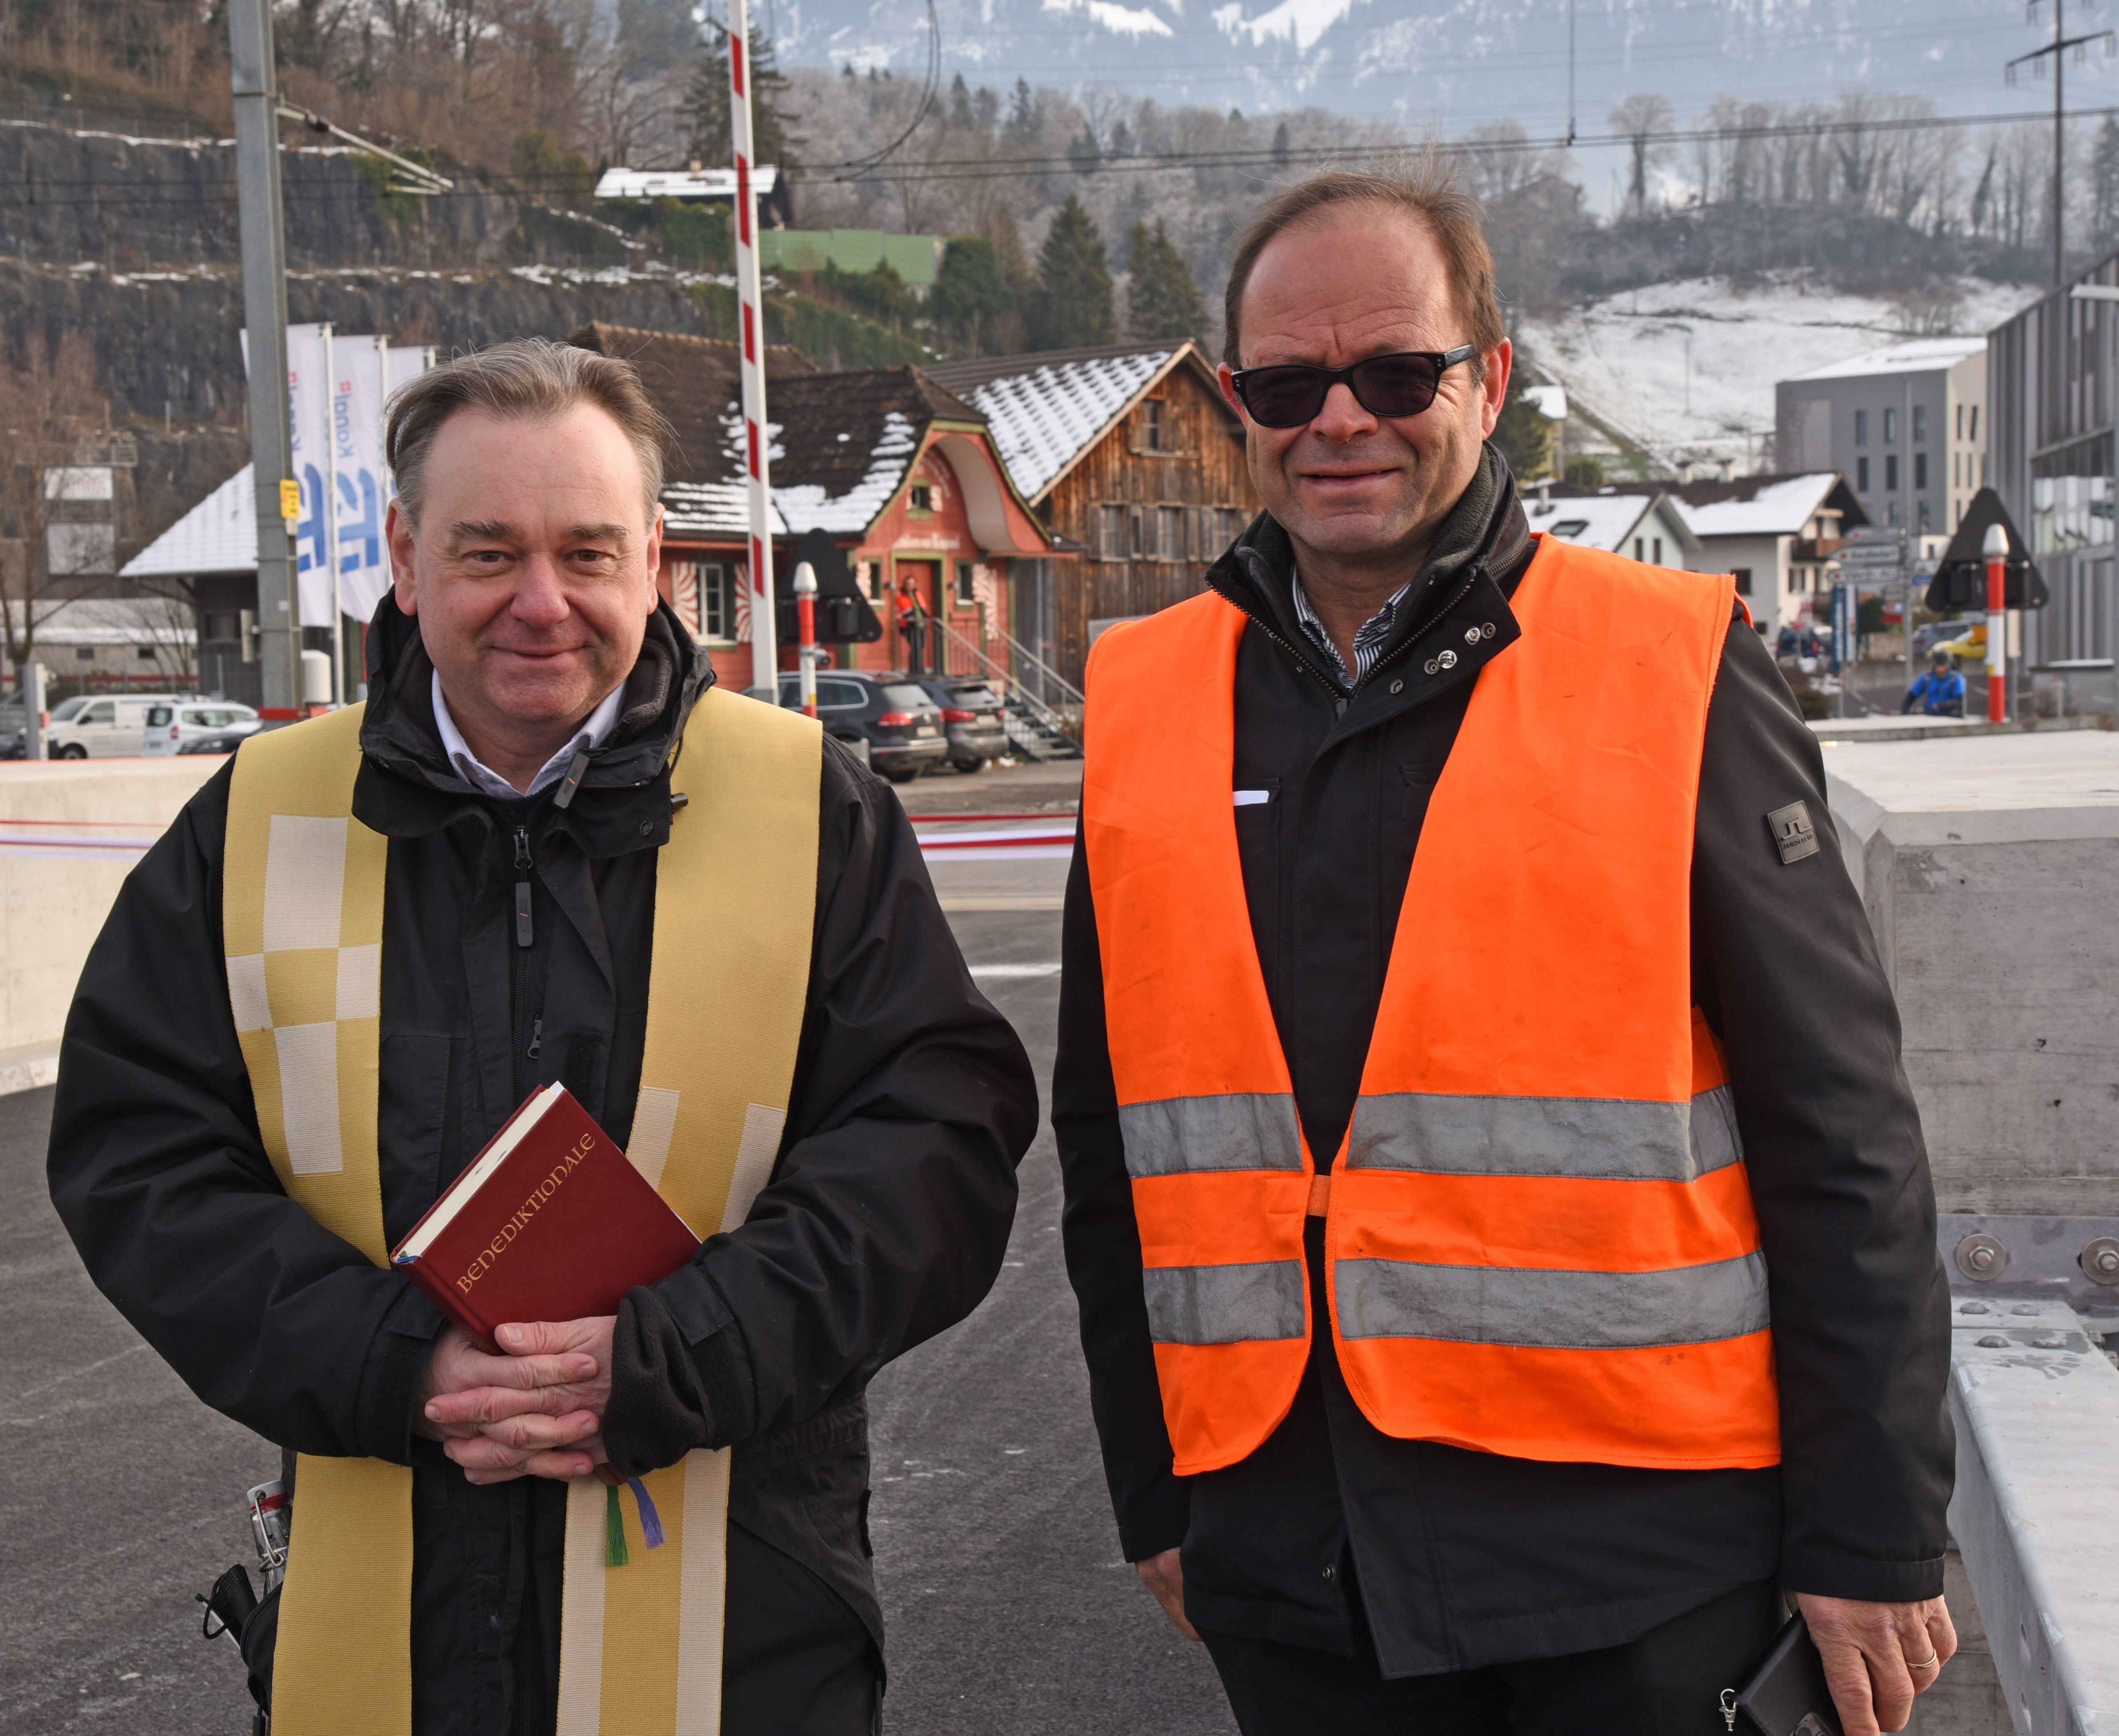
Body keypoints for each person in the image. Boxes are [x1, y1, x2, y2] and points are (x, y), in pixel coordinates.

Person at [1055, 164, 1957, 1736]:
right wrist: (1155, 1486)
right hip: (1291, 1555)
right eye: (1286, 382)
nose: (1340, 419)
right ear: (1235, 403)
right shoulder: (1143, 699)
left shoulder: (1669, 668)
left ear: (1489, 378)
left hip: (1635, 1564)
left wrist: (1872, 1532)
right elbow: (1103, 1139)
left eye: (1394, 373)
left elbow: (1842, 1139)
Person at [48, 338, 1037, 1736]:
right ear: (403, 556)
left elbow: (934, 1153)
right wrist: (397, 1360)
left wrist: (668, 1356)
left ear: (649, 559)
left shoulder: (814, 810)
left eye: (586, 552)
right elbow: (138, 1156)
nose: (540, 603)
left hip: (738, 1629)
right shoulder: (258, 819)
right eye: (487, 550)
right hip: (377, 1621)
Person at [1904, 651, 1967, 717]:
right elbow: (1911, 696)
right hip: (1930, 717)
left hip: (1949, 718)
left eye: (1943, 666)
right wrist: (1905, 712)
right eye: (1938, 665)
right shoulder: (1927, 678)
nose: (1940, 669)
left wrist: (1943, 706)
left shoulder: (1956, 678)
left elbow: (1959, 701)